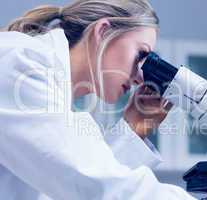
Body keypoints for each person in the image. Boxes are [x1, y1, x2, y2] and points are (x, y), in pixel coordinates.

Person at [0, 0, 196, 199]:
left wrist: (135, 129)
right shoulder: (22, 63)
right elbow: (93, 184)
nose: (140, 77)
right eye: (140, 54)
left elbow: (73, 184)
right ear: (103, 32)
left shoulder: (46, 83)